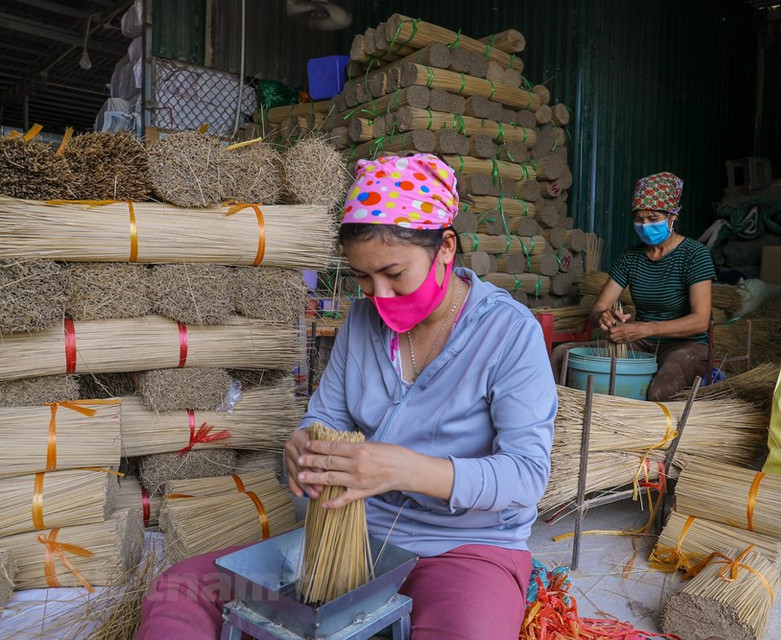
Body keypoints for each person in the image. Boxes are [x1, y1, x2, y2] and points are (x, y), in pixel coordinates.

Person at [135, 154, 557, 640]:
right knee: (180, 590)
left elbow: (526, 476)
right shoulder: (361, 322)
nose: (379, 295)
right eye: (362, 278)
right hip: (352, 530)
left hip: (462, 545)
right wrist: (303, 444)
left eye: (394, 273)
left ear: (445, 247)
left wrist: (401, 468)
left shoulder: (508, 333)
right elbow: (324, 416)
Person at [552, 171, 715, 401]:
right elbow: (597, 309)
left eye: (653, 218)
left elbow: (700, 321)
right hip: (641, 343)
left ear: (673, 216)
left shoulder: (694, 255)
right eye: (638, 219)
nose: (645, 225)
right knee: (562, 355)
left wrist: (645, 328)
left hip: (687, 346)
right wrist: (604, 317)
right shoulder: (630, 258)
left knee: (661, 390)